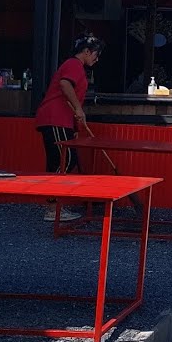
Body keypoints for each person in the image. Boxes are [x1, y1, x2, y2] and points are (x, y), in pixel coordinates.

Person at [36, 36, 104, 221]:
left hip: (61, 119)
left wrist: (75, 125)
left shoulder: (76, 67)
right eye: (96, 55)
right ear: (87, 51)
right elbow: (65, 84)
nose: (96, 60)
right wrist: (79, 109)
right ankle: (52, 205)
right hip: (56, 117)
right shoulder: (74, 64)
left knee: (56, 161)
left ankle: (52, 207)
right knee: (65, 160)